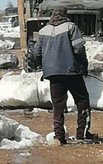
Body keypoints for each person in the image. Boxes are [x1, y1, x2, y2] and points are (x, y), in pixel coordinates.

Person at [33, 8, 97, 145]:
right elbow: (79, 49)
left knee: (58, 106)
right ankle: (82, 133)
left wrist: (43, 66)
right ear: (65, 15)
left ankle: (59, 136)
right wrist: (83, 66)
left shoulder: (44, 31)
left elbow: (36, 52)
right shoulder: (71, 27)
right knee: (82, 101)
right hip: (72, 72)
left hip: (53, 74)